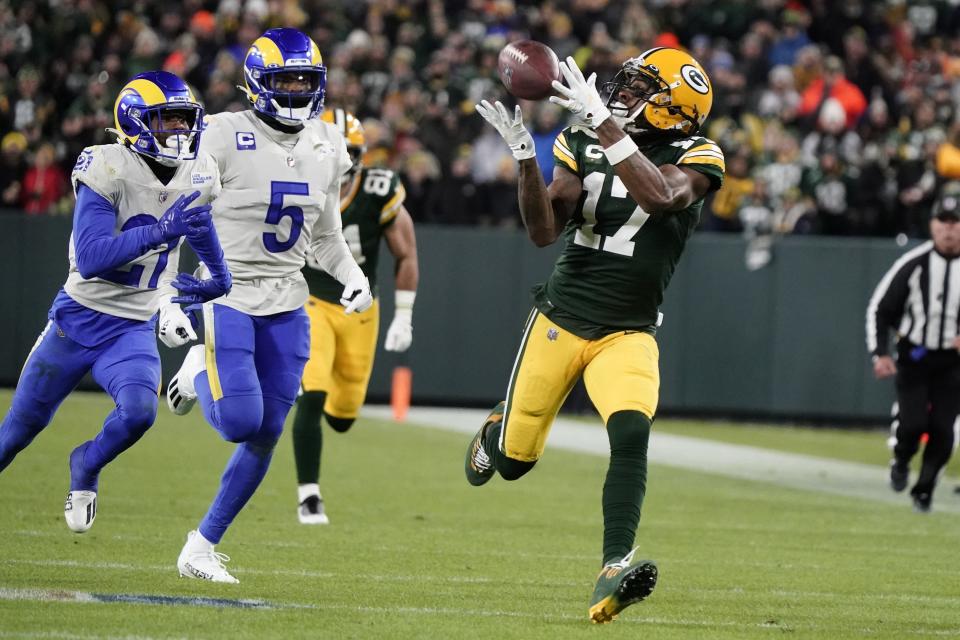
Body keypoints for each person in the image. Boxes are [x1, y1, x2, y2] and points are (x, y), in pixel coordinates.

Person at [471, 48, 725, 623]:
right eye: (626, 84)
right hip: (560, 319)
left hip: (628, 331)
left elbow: (660, 198)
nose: (622, 94)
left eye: (640, 89)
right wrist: (524, 163)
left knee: (631, 431)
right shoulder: (580, 140)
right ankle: (498, 429)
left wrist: (607, 127)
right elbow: (543, 232)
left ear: (672, 110)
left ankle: (614, 565)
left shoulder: (698, 154)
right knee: (511, 464)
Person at [165, 28, 372, 583]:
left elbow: (326, 236)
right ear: (259, 83)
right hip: (227, 291)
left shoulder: (328, 143)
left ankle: (201, 547)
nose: (300, 90)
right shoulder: (225, 133)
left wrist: (354, 275)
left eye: (308, 79)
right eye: (288, 80)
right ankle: (195, 374)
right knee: (238, 420)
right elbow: (184, 212)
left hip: (288, 298)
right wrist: (173, 288)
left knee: (267, 432)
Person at [0, 70, 230, 532]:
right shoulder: (107, 165)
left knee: (140, 413)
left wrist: (219, 277)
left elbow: (200, 226)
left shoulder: (200, 171)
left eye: (185, 120)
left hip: (133, 324)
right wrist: (161, 231)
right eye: (166, 121)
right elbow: (90, 258)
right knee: (15, 435)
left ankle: (86, 463)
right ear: (136, 123)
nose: (179, 131)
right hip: (77, 319)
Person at [292, 108, 419, 525]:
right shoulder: (289, 178)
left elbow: (406, 253)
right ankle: (309, 494)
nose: (341, 162)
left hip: (361, 307)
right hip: (309, 300)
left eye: (349, 153)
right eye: (334, 151)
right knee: (312, 391)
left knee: (343, 416)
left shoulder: (379, 187)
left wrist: (404, 315)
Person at [866, 183, 960, 513]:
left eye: (955, 221)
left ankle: (925, 489)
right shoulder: (914, 263)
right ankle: (902, 459)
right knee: (913, 424)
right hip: (915, 357)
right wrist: (880, 353)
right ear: (933, 224)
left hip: (952, 362)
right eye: (943, 221)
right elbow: (881, 308)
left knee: (943, 431)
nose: (949, 228)